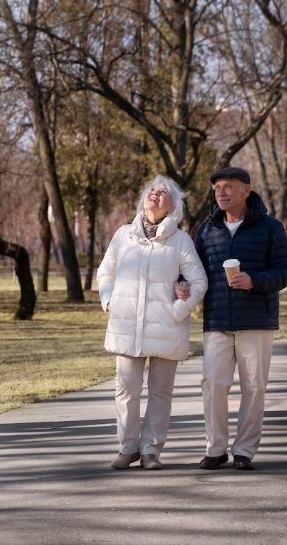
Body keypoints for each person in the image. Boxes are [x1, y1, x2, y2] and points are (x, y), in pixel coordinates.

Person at [177, 166, 287, 471]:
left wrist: (254, 281)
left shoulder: (270, 228)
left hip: (256, 320)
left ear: (246, 190)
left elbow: (285, 271)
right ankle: (215, 449)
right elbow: (192, 270)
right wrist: (183, 284)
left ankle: (244, 451)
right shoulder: (206, 230)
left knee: (254, 387)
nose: (222, 192)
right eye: (217, 188)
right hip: (216, 320)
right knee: (213, 384)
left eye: (229, 186)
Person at [97, 175, 208, 470]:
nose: (155, 194)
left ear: (174, 207)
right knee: (126, 390)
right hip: (127, 326)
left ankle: (150, 450)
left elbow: (198, 281)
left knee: (160, 393)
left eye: (163, 193)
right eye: (152, 190)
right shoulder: (123, 235)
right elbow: (105, 273)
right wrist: (110, 301)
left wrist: (179, 307)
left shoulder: (181, 241)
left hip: (166, 326)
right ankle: (127, 448)